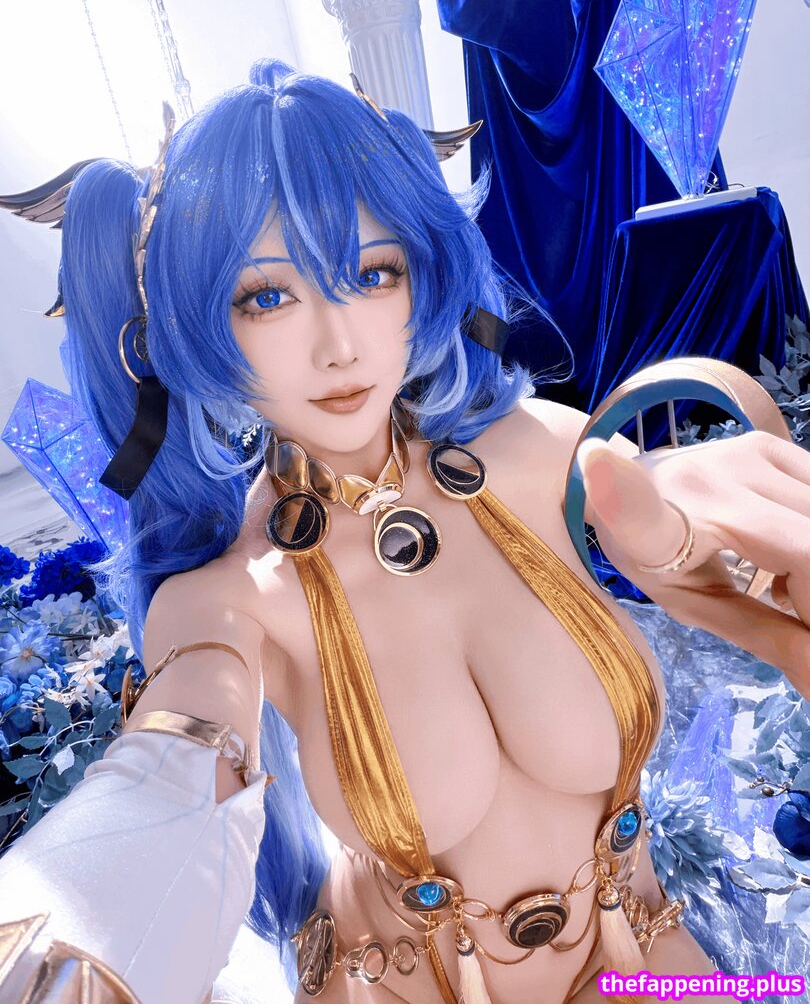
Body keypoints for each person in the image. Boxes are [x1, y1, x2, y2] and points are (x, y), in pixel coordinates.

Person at [0, 59, 808, 1004]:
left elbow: (679, 546)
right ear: (190, 323)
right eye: (267, 296)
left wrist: (686, 529)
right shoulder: (230, 597)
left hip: (643, 960)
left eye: (371, 273)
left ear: (422, 274)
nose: (340, 345)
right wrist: (51, 940)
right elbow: (170, 774)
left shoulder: (542, 453)